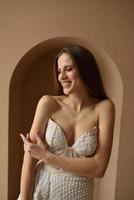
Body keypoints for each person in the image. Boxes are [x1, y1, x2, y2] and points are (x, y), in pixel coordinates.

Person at [18, 45, 115, 200]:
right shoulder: (48, 103)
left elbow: (99, 168)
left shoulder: (104, 108)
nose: (61, 76)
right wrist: (23, 198)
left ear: (86, 71)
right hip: (43, 191)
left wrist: (46, 156)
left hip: (81, 194)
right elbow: (29, 160)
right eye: (59, 70)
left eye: (68, 69)